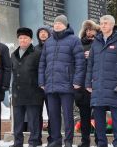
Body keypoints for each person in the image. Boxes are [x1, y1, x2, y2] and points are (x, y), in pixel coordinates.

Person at [38, 15, 85, 147]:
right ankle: (56, 140)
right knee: (53, 114)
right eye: (55, 23)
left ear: (65, 25)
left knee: (68, 114)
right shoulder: (49, 42)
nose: (57, 25)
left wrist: (77, 81)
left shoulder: (74, 40)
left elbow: (80, 63)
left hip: (67, 84)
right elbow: (42, 63)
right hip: (51, 84)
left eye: (60, 23)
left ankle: (68, 141)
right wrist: (42, 81)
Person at [85, 15, 117, 147]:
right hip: (98, 85)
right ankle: (101, 143)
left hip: (114, 86)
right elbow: (90, 64)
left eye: (106, 23)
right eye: (101, 23)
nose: (103, 25)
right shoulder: (96, 42)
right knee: (98, 119)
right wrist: (88, 83)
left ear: (112, 25)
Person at [10, 27, 44, 147]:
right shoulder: (13, 55)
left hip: (33, 92)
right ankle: (17, 142)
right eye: (20, 38)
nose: (22, 40)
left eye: (25, 38)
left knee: (33, 119)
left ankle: (34, 141)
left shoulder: (37, 54)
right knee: (18, 120)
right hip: (17, 93)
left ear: (30, 39)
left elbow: (42, 72)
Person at [75, 20, 99, 147]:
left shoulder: (100, 43)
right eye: (87, 30)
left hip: (96, 85)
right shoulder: (78, 45)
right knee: (84, 117)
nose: (89, 32)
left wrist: (92, 56)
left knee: (98, 117)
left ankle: (99, 141)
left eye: (92, 29)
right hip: (82, 87)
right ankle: (85, 141)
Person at [35, 26, 52, 145]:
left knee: (52, 112)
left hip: (51, 84)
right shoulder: (34, 49)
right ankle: (37, 138)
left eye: (45, 32)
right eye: (41, 33)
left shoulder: (53, 47)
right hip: (37, 86)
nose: (43, 34)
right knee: (37, 113)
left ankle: (53, 137)